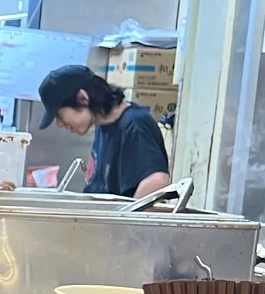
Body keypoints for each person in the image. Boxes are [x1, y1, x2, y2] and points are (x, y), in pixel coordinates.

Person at [37, 63, 171, 198]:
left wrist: (124, 218)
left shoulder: (134, 125)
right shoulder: (103, 125)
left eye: (59, 116)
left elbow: (157, 181)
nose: (60, 124)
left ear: (82, 98)